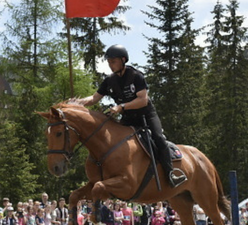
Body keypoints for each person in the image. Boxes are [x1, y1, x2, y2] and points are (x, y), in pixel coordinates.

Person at [79, 44, 187, 187]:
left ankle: (170, 173)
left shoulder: (136, 76)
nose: (110, 65)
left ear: (123, 60)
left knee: (159, 138)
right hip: (128, 118)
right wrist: (77, 102)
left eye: (113, 61)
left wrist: (121, 106)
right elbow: (93, 99)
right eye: (109, 62)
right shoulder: (109, 81)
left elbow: (143, 100)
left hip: (146, 116)